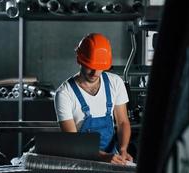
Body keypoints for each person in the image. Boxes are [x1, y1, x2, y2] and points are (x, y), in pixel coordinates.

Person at [54, 33, 133, 165]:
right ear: (79, 59)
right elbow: (72, 141)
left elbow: (123, 122)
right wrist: (103, 157)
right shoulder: (64, 94)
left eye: (100, 67)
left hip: (113, 156)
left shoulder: (115, 82)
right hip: (81, 159)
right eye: (91, 66)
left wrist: (123, 149)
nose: (96, 73)